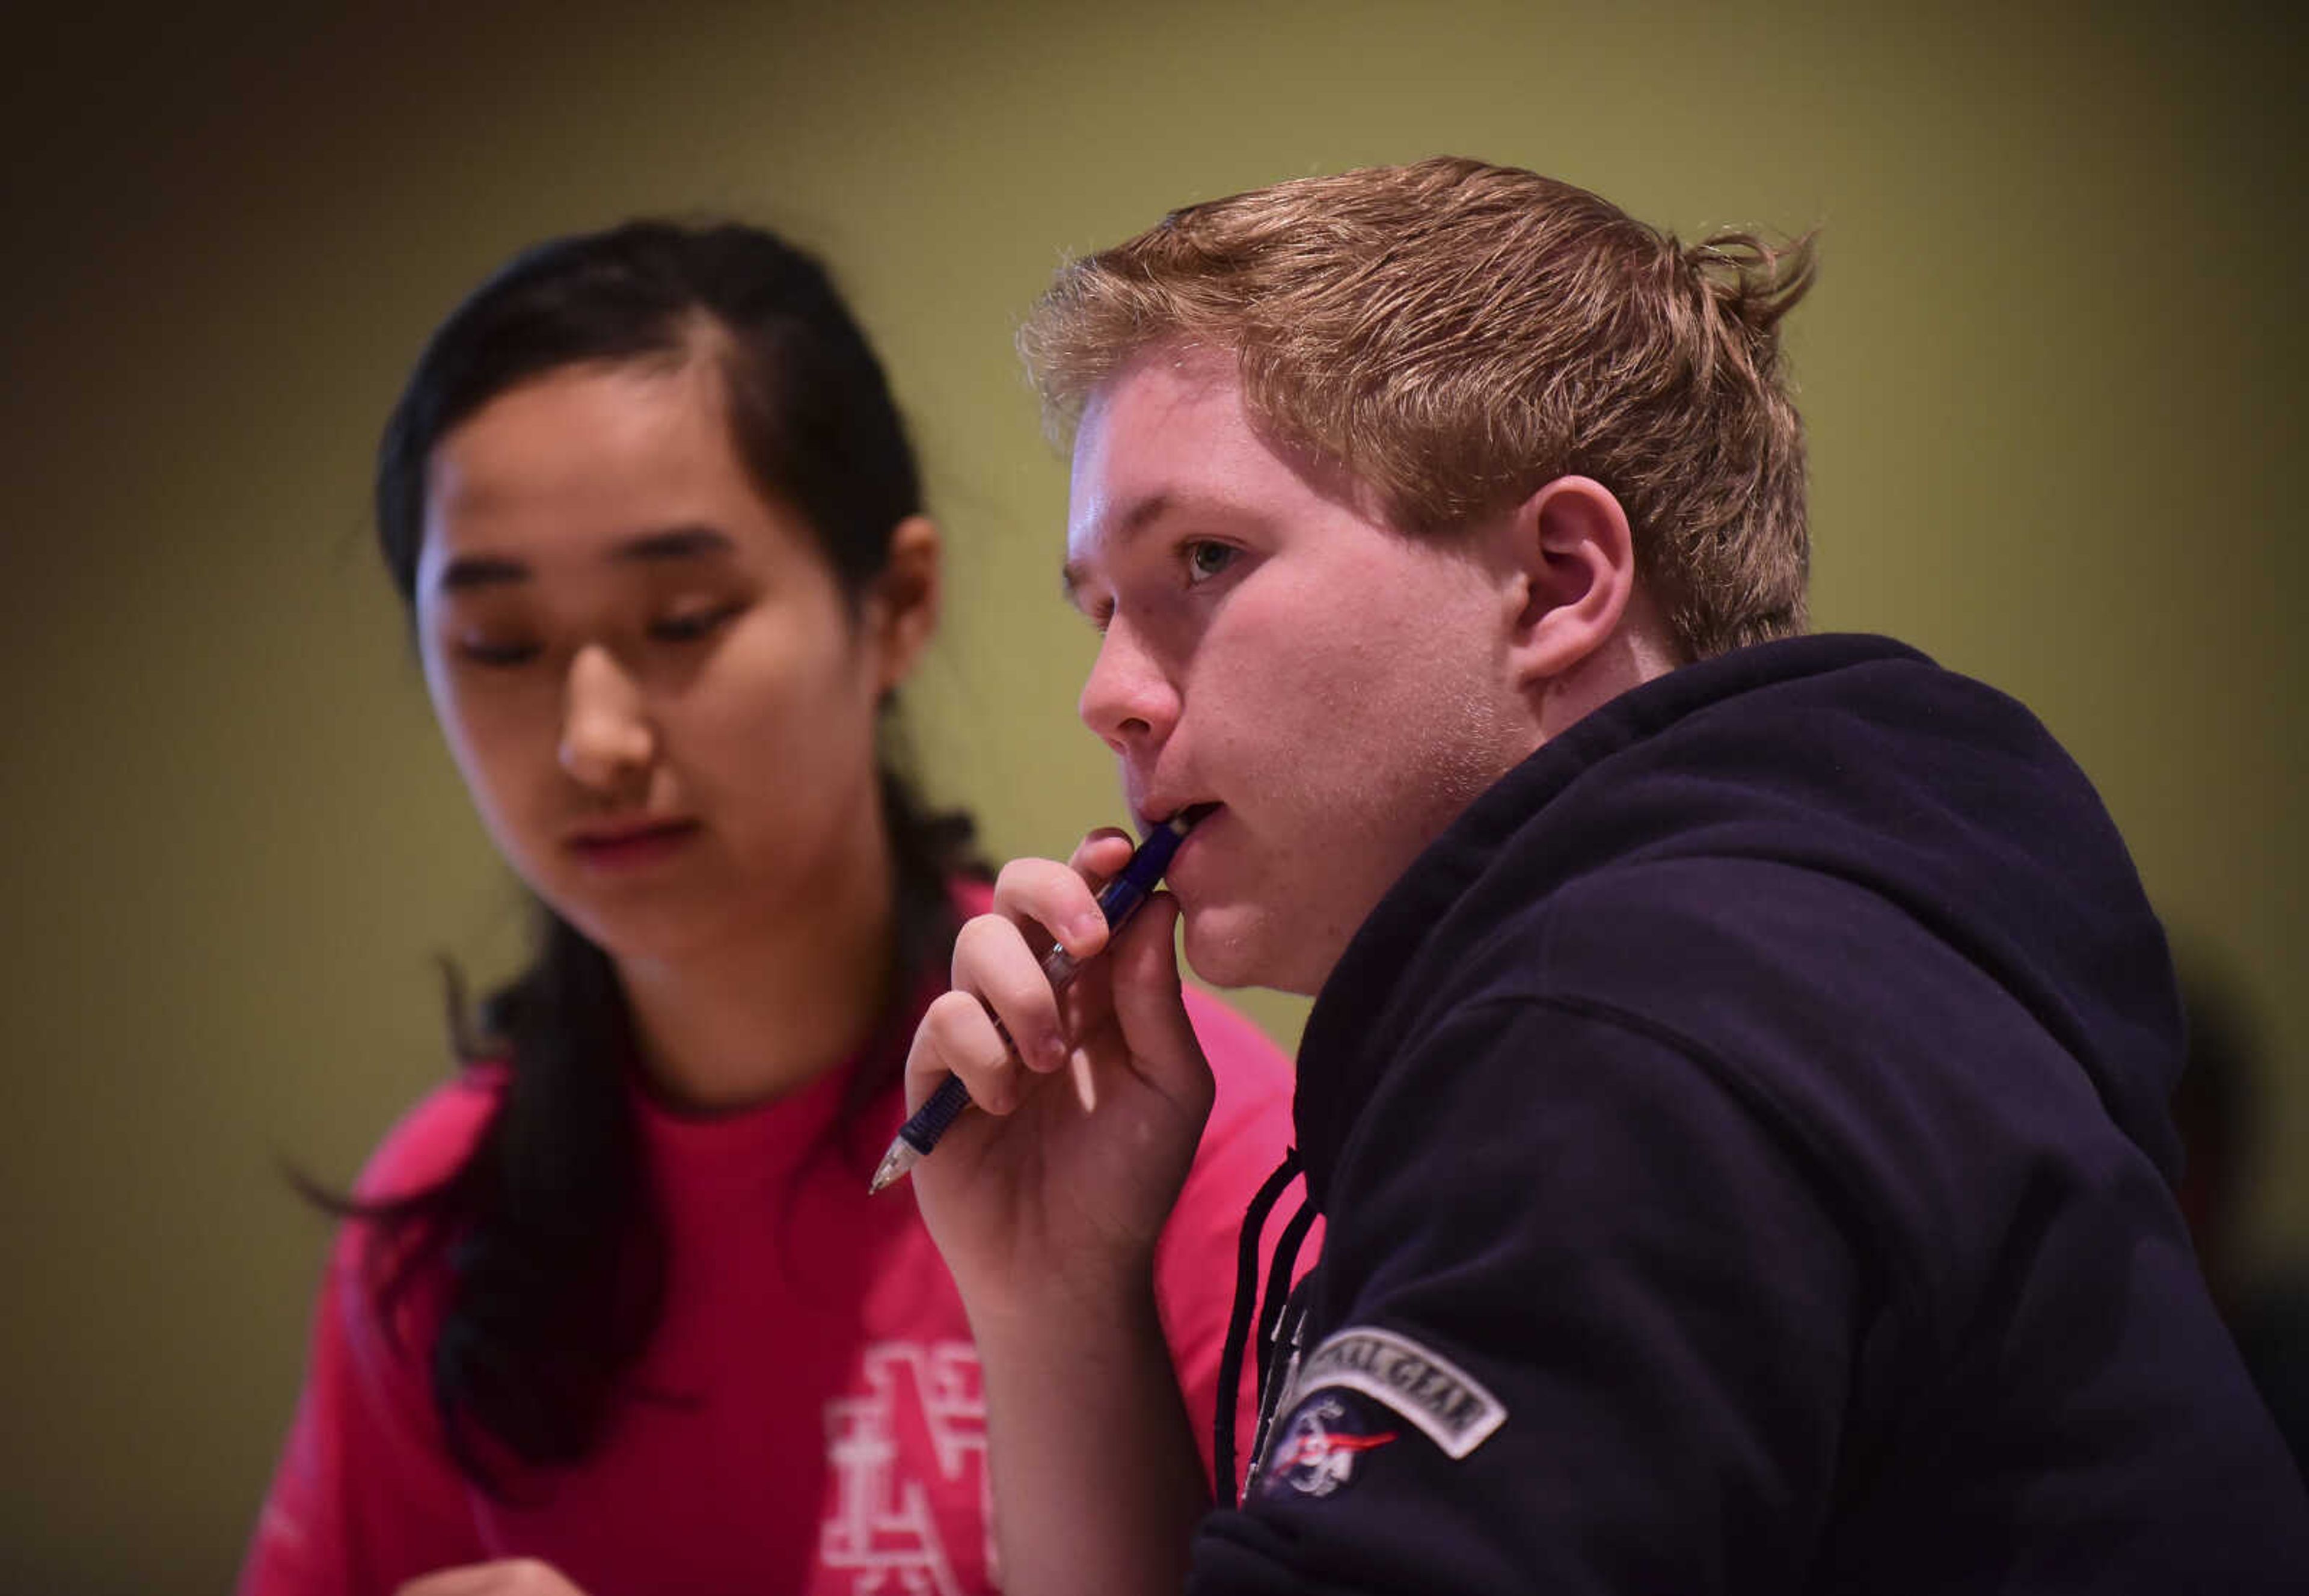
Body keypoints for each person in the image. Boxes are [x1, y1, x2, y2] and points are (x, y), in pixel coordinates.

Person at [901, 156, 2309, 1593]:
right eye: (1101, 610)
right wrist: (1061, 1299)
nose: (1111, 697)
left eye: (1205, 556)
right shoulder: (1769, 950)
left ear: (1563, 581)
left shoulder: (1628, 1023)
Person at [239, 219, 1301, 1596]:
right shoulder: (446, 1219)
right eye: (499, 645)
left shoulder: (1148, 1126)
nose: (595, 740)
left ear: (899, 602)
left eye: (683, 618)